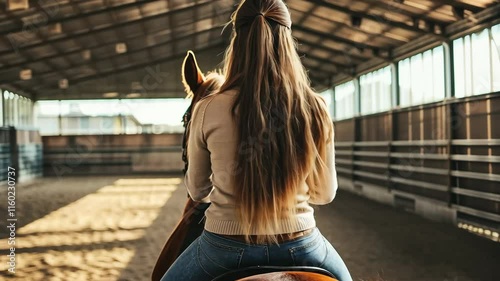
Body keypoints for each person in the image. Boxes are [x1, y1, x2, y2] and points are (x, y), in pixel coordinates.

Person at [160, 0, 352, 280]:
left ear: (237, 41)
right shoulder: (316, 107)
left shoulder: (207, 108)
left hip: (223, 247)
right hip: (301, 244)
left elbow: (198, 190)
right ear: (287, 40)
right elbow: (325, 194)